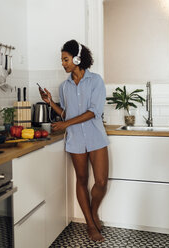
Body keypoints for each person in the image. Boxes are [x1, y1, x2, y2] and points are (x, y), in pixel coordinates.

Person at [39, 40, 109, 242]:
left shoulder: (96, 81)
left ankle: (93, 212)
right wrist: (51, 102)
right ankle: (89, 223)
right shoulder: (64, 87)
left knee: (101, 182)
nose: (63, 63)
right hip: (76, 139)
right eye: (62, 60)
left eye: (65, 59)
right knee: (81, 180)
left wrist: (66, 123)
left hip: (96, 136)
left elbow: (94, 111)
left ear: (77, 58)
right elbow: (65, 114)